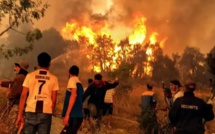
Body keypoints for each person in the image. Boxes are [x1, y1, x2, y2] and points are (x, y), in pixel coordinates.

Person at [16, 52, 59, 134]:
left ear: (38, 63)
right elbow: (54, 100)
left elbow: (23, 96)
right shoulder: (54, 78)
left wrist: (20, 114)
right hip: (46, 112)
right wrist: (50, 112)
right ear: (49, 63)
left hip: (30, 110)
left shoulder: (30, 76)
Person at [0, 61, 29, 133]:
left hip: (16, 104)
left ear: (20, 68)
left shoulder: (19, 77)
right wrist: (2, 83)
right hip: (21, 104)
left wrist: (9, 94)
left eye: (16, 67)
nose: (14, 68)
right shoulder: (25, 77)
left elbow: (17, 90)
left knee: (11, 125)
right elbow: (12, 84)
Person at [61, 65, 84, 134]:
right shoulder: (79, 83)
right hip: (78, 116)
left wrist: (67, 115)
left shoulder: (72, 79)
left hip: (73, 116)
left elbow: (74, 95)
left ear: (69, 73)